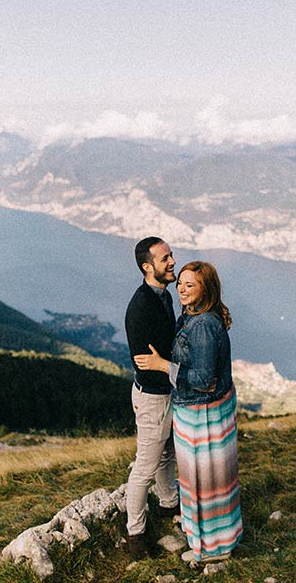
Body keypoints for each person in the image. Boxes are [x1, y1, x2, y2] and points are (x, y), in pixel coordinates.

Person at [135, 261, 243, 564]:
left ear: (205, 289)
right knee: (206, 479)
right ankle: (210, 537)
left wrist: (162, 366)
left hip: (202, 415)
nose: (181, 289)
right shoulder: (192, 316)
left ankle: (211, 549)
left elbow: (203, 380)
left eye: (190, 285)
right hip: (199, 413)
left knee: (203, 479)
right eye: (180, 283)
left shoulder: (204, 325)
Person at [123, 236, 181, 559]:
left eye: (171, 255)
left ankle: (168, 501)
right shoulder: (141, 309)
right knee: (144, 466)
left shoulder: (164, 297)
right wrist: (170, 368)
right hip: (153, 399)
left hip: (163, 392)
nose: (172, 261)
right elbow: (145, 365)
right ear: (148, 267)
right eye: (165, 259)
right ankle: (135, 535)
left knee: (166, 453)